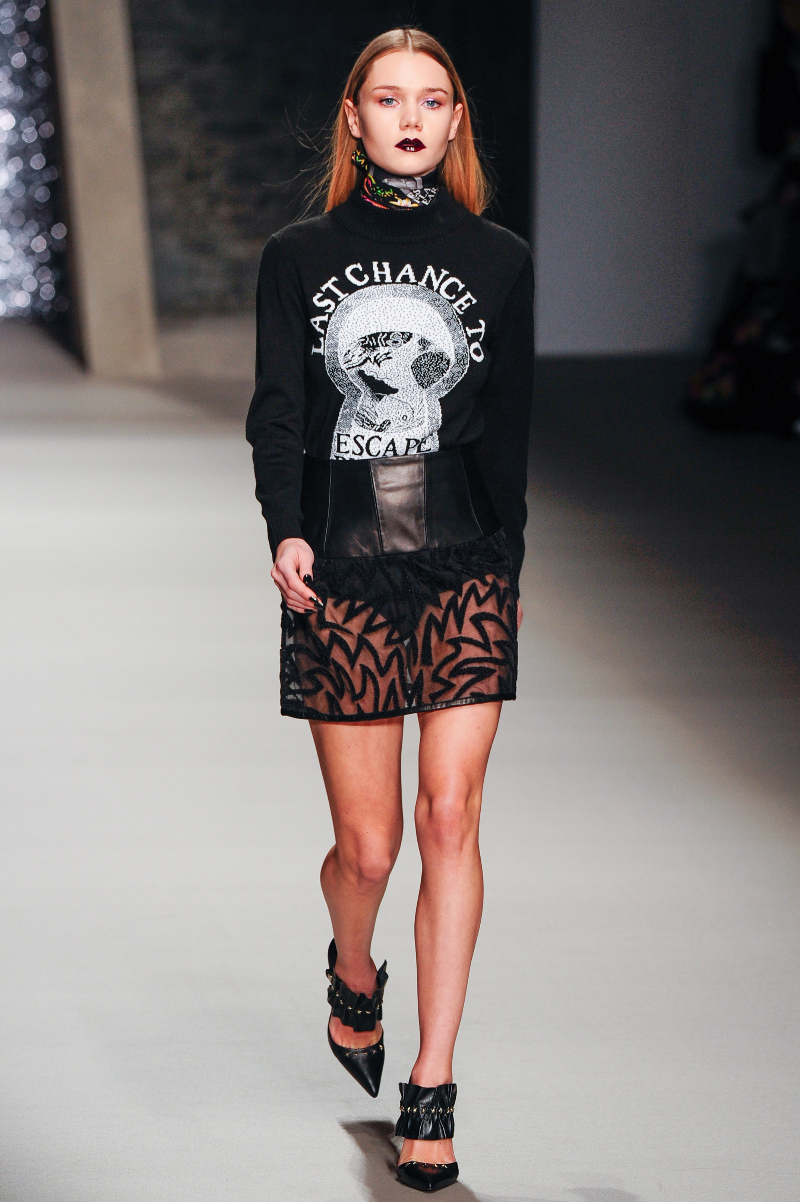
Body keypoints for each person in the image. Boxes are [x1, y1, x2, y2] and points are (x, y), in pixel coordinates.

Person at [246, 27, 534, 1193]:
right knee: (368, 846)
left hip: (462, 562)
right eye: (387, 98)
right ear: (354, 119)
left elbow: (507, 424)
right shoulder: (298, 255)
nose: (409, 117)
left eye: (430, 99)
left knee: (448, 815)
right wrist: (285, 527)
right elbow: (278, 406)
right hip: (345, 566)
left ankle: (432, 1083)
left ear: (454, 119)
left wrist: (508, 565)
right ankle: (353, 970)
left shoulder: (498, 259)